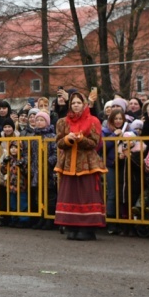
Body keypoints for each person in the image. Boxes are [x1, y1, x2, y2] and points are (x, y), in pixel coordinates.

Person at [53, 91, 105, 240]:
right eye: (73, 103)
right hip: (69, 163)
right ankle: (72, 226)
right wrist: (68, 139)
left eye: (79, 103)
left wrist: (81, 139)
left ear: (84, 104)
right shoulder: (62, 122)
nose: (76, 105)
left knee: (86, 195)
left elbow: (95, 143)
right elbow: (59, 142)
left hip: (87, 164)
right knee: (71, 194)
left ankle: (88, 229)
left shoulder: (93, 120)